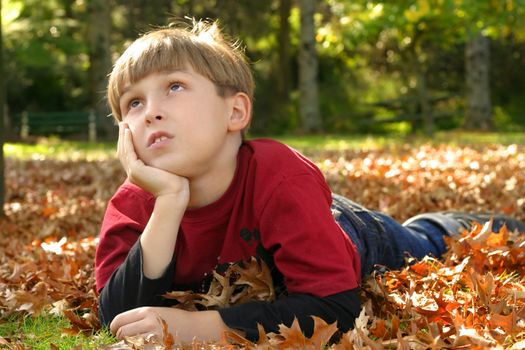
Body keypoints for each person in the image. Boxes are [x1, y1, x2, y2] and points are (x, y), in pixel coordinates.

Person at [94, 19, 525, 342]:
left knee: (428, 241)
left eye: (174, 87)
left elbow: (336, 307)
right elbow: (116, 313)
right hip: (299, 222)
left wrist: (203, 327)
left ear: (235, 113)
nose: (150, 111)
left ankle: (473, 223)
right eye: (133, 102)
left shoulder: (279, 174)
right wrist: (169, 201)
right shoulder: (134, 202)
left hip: (354, 232)